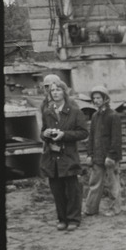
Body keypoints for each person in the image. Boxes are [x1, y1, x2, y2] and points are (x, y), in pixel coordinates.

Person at [39, 79, 88, 231]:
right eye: (52, 90)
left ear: (64, 92)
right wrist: (45, 134)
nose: (55, 93)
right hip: (52, 158)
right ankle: (62, 219)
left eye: (58, 90)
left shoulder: (75, 112)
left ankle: (73, 219)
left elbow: (83, 133)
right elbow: (43, 133)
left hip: (68, 156)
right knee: (57, 190)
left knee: (72, 189)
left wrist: (64, 135)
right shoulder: (47, 112)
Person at [83, 85, 122, 217]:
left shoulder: (113, 116)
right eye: (94, 98)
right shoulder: (95, 116)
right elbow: (92, 137)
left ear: (105, 98)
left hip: (110, 158)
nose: (96, 100)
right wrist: (90, 154)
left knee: (112, 184)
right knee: (94, 184)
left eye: (98, 97)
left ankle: (114, 208)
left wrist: (111, 156)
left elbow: (116, 139)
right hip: (97, 157)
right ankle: (91, 209)